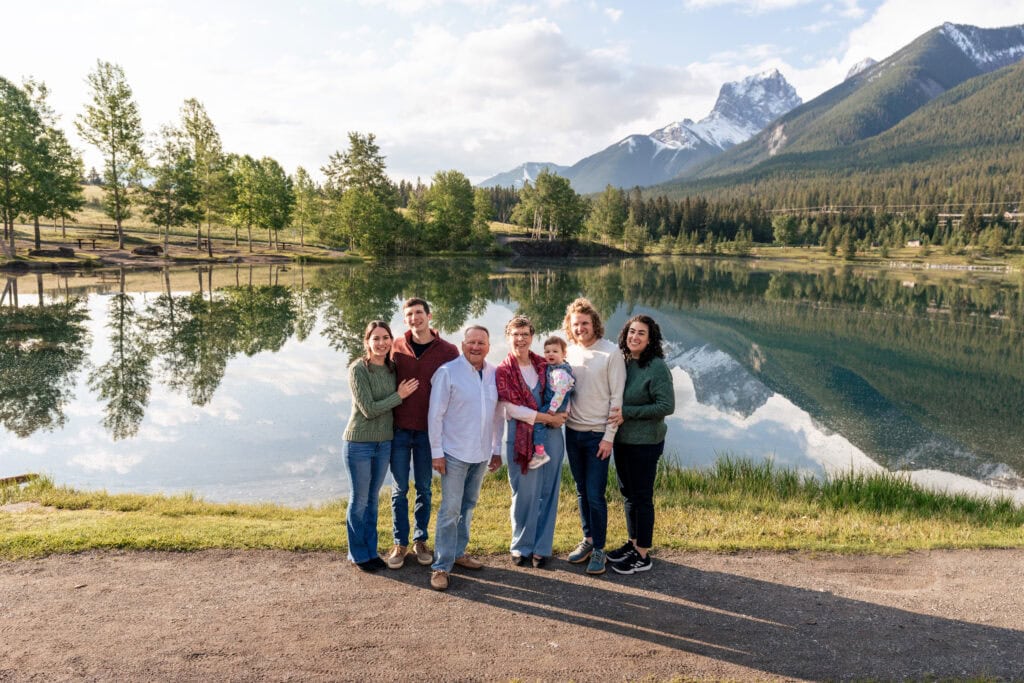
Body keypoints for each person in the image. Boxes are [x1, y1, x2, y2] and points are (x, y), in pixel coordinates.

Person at [427, 326, 505, 591]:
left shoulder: (494, 374)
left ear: (488, 346)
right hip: (454, 453)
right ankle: (440, 565)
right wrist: (436, 452)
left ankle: (459, 553)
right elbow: (435, 415)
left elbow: (497, 415)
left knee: (469, 505)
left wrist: (496, 450)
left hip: (481, 453)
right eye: (471, 342)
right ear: (462, 344)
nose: (476, 346)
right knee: (450, 509)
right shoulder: (448, 373)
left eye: (481, 342)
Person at [387, 297, 459, 570]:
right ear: (405, 320)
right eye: (410, 315)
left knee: (425, 489)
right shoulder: (395, 347)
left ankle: (420, 540)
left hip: (430, 433)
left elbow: (459, 388)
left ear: (430, 316)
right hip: (400, 431)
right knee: (399, 489)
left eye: (419, 313)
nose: (415, 318)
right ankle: (400, 543)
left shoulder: (448, 351)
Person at [343, 321, 419, 572]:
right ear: (367, 342)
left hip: (384, 441)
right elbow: (369, 409)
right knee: (359, 499)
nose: (381, 343)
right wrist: (400, 396)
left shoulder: (392, 368)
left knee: (373, 500)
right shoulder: (358, 370)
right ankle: (358, 553)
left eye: (386, 337)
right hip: (359, 443)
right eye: (375, 338)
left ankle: (371, 551)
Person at [495, 317, 568, 568]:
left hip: (552, 436)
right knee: (524, 493)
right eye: (515, 334)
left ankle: (541, 547)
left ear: (532, 336)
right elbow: (508, 408)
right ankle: (521, 545)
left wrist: (564, 415)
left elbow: (564, 387)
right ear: (508, 337)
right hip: (520, 436)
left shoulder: (543, 363)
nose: (520, 338)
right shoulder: (503, 371)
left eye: (525, 333)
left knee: (548, 491)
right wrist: (546, 417)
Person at [607, 314, 675, 575]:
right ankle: (633, 543)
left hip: (646, 443)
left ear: (650, 339)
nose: (634, 337)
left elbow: (666, 406)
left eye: (641, 333)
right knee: (628, 496)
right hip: (623, 440)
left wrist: (627, 412)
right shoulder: (625, 363)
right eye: (631, 332)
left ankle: (643, 555)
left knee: (642, 497)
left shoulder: (656, 367)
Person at [563, 297, 626, 576]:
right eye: (575, 324)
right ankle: (588, 539)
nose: (580, 328)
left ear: (594, 324)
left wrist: (609, 437)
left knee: (595, 494)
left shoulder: (611, 353)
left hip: (598, 435)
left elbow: (617, 398)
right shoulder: (570, 353)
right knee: (580, 491)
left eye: (585, 323)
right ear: (570, 326)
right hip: (572, 432)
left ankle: (600, 548)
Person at [529, 336, 574, 469]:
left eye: (555, 351)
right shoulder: (553, 368)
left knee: (538, 422)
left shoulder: (559, 372)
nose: (550, 354)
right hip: (556, 404)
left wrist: (553, 410)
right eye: (547, 351)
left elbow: (561, 392)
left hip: (554, 405)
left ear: (564, 354)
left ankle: (540, 453)